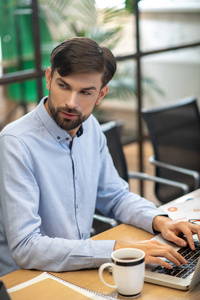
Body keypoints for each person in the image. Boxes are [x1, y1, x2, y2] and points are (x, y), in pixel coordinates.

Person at [0, 37, 199, 277]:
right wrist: (120, 249)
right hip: (26, 278)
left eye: (85, 92)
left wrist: (160, 221)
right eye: (63, 85)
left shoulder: (91, 127)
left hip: (77, 266)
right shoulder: (15, 143)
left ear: (101, 94)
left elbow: (114, 197)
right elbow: (26, 247)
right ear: (49, 78)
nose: (71, 103)